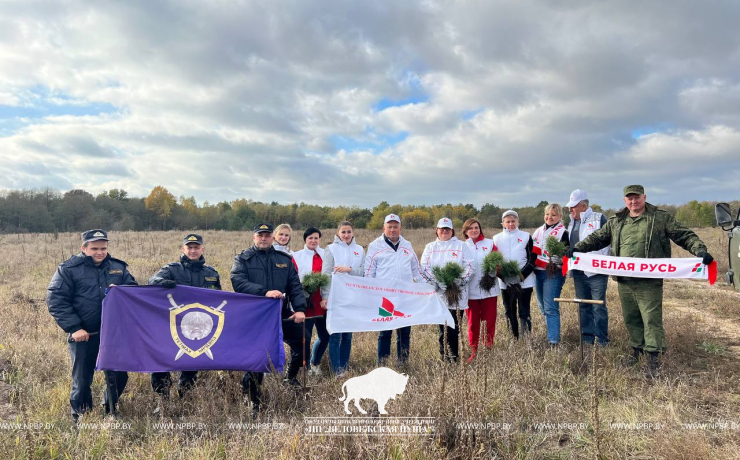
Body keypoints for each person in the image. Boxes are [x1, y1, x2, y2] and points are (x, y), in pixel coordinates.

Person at [573, 185, 713, 375]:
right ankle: (637, 351)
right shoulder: (617, 221)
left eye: (637, 198)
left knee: (651, 318)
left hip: (649, 279)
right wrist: (577, 249)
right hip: (625, 279)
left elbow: (684, 235)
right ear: (625, 201)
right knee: (631, 317)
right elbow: (598, 238)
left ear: (644, 197)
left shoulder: (659, 218)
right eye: (629, 198)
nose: (633, 201)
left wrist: (700, 250)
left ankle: (654, 357)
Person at [47, 229, 137, 422]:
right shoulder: (69, 269)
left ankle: (110, 409)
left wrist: (122, 290)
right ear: (84, 248)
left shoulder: (118, 268)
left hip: (112, 335)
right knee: (82, 379)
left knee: (119, 376)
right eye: (94, 248)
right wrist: (74, 327)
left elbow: (133, 291)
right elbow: (56, 300)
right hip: (84, 335)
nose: (99, 252)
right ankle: (81, 415)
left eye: (103, 248)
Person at [230, 223, 306, 415]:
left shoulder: (284, 260)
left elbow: (295, 286)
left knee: (303, 344)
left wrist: (299, 309)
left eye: (267, 235)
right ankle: (253, 398)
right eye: (260, 235)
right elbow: (238, 282)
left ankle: (291, 376)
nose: (263, 238)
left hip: (282, 314)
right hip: (256, 317)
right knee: (257, 358)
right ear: (254, 237)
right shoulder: (243, 259)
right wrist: (264, 292)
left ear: (272, 237)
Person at [148, 233, 221, 398]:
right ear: (183, 249)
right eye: (190, 247)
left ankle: (185, 395)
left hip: (197, 326)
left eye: (196, 247)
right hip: (172, 324)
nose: (193, 251)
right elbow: (152, 280)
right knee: (162, 360)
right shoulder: (172, 269)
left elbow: (218, 297)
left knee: (192, 360)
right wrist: (163, 283)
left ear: (202, 249)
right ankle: (163, 399)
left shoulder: (211, 273)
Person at [364, 214, 422, 365]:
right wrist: (372, 294)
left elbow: (416, 269)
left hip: (404, 297)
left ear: (400, 228)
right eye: (389, 226)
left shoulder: (407, 245)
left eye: (395, 226)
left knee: (404, 332)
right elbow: (369, 272)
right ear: (384, 228)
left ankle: (403, 362)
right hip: (385, 298)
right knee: (385, 332)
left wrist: (424, 287)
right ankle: (382, 363)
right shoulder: (375, 246)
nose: (392, 229)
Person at [420, 218, 475, 362]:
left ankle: (454, 356)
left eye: (447, 229)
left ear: (452, 231)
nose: (444, 231)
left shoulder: (462, 246)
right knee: (442, 326)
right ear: (437, 230)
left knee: (454, 325)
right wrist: (436, 281)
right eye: (442, 229)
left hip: (457, 292)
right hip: (439, 292)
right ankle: (444, 354)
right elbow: (425, 267)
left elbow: (469, 265)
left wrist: (460, 280)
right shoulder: (430, 247)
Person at [320, 221, 365, 376]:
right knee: (336, 335)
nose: (346, 235)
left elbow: (364, 272)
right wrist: (325, 296)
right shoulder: (331, 249)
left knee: (347, 335)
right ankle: (336, 370)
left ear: (353, 233)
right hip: (336, 298)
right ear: (338, 233)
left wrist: (349, 270)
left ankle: (344, 367)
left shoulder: (359, 250)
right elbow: (325, 274)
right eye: (343, 232)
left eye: (349, 232)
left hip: (353, 298)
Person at [566, 189, 610, 346]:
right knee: (583, 305)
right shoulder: (572, 223)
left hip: (596, 271)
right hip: (578, 271)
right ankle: (587, 339)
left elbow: (608, 241)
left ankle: (602, 341)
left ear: (583, 206)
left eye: (573, 207)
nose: (570, 210)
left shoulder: (600, 219)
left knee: (598, 306)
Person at [492, 210, 536, 339]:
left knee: (524, 309)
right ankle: (513, 336)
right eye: (508, 221)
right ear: (503, 223)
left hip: (524, 281)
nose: (511, 224)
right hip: (506, 282)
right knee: (509, 310)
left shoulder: (526, 236)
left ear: (518, 222)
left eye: (513, 221)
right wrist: (503, 276)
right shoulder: (496, 238)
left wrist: (521, 275)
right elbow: (495, 261)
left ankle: (525, 337)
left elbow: (532, 258)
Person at [462, 218, 500, 362]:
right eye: (470, 228)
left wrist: (495, 267)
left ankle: (488, 347)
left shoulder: (489, 244)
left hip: (489, 289)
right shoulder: (463, 246)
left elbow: (498, 262)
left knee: (489, 320)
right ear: (465, 231)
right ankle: (474, 350)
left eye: (476, 227)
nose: (474, 230)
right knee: (473, 322)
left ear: (480, 229)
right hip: (470, 291)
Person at [292, 227, 330, 376]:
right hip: (305, 304)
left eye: (316, 238)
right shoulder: (297, 256)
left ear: (319, 240)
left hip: (323, 303)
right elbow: (293, 279)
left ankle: (315, 362)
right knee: (305, 338)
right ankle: (305, 367)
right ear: (305, 240)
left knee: (325, 336)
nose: (313, 241)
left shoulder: (326, 255)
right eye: (310, 238)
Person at [532, 204, 570, 346]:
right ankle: (552, 332)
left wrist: (561, 260)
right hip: (538, 271)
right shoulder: (538, 231)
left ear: (560, 217)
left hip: (553, 273)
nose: (549, 217)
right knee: (542, 306)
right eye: (547, 214)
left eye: (553, 215)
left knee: (550, 307)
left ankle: (553, 340)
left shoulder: (563, 233)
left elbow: (567, 253)